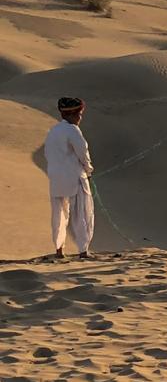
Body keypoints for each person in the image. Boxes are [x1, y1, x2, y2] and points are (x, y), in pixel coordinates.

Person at [43, 96, 95, 260]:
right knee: (82, 213)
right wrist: (88, 170)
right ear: (73, 114)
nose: (80, 117)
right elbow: (83, 153)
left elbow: (48, 154)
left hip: (56, 178)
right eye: (79, 114)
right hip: (74, 177)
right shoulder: (73, 130)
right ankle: (83, 251)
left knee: (59, 214)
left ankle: (59, 250)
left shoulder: (53, 131)